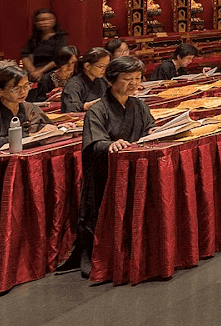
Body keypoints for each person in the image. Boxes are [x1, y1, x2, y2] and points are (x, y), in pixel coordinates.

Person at [58, 56, 151, 276]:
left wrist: (154, 133)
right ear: (111, 80)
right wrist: (111, 144)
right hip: (105, 174)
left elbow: (149, 128)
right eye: (128, 79)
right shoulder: (97, 110)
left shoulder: (139, 105)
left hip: (135, 169)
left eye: (137, 78)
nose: (134, 83)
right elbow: (95, 142)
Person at [19, 9, 69, 100]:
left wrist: (40, 71)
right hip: (34, 72)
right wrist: (33, 71)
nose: (44, 22)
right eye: (40, 20)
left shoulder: (60, 37)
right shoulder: (33, 38)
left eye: (47, 19)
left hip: (53, 70)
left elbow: (58, 58)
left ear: (54, 20)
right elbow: (25, 55)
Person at [0, 64, 51, 141]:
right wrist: (31, 136)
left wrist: (61, 128)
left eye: (26, 87)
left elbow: (45, 127)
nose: (23, 92)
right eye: (16, 89)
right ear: (1, 91)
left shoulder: (31, 109)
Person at [60, 48, 110, 113]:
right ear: (87, 66)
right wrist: (86, 106)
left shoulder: (102, 81)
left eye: (107, 66)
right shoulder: (74, 84)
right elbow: (71, 108)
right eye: (101, 67)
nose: (104, 70)